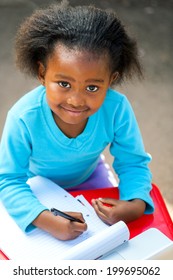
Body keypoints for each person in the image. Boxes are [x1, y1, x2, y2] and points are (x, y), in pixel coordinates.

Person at [0, 1, 154, 241]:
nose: (75, 100)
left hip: (91, 180)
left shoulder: (116, 109)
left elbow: (133, 163)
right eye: (64, 84)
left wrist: (135, 204)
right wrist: (45, 219)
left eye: (92, 86)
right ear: (42, 74)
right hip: (35, 187)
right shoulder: (22, 117)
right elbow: (8, 180)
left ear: (111, 80)